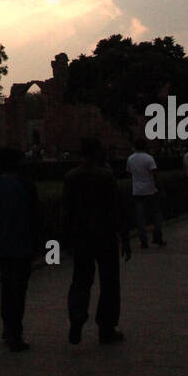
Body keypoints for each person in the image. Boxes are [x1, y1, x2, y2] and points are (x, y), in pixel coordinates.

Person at [62, 138, 130, 345]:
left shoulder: (71, 177)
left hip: (82, 237)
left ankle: (77, 317)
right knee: (109, 282)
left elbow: (66, 212)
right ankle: (106, 328)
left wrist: (66, 239)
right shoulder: (105, 177)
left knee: (81, 280)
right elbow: (116, 209)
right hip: (105, 236)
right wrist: (125, 237)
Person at [0, 147, 42, 352]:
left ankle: (8, 327)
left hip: (1, 245)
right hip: (22, 245)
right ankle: (14, 333)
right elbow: (35, 217)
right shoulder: (25, 186)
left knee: (7, 288)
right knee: (18, 290)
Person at [126, 143, 166, 249]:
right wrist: (160, 188)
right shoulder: (149, 158)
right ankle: (157, 236)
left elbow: (130, 174)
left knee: (140, 217)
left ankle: (143, 240)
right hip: (150, 190)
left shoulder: (130, 159)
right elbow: (155, 174)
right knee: (156, 214)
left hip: (137, 191)